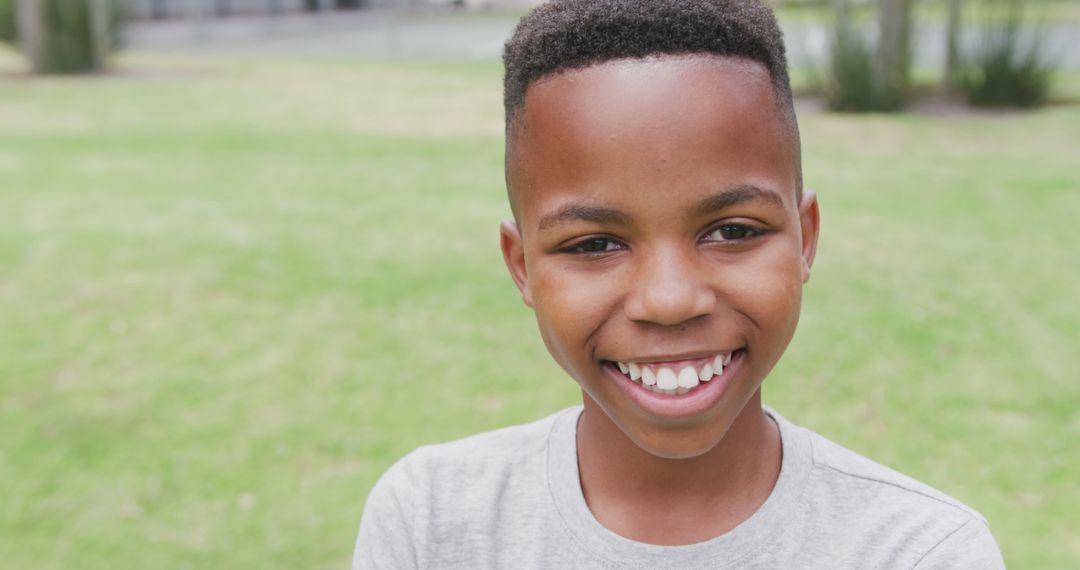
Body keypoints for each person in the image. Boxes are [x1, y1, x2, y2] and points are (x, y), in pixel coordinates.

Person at [353, 1, 1005, 567]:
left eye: (732, 232)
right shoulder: (433, 523)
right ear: (521, 264)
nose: (668, 300)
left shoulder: (922, 552)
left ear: (805, 238)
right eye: (595, 244)